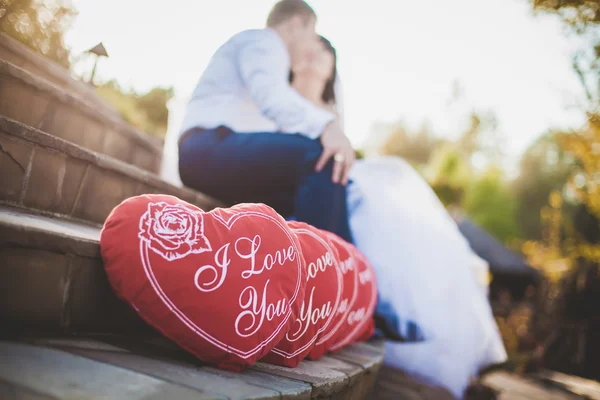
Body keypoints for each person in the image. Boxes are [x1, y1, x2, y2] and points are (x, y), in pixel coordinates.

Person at [289, 36, 508, 399]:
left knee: (395, 198)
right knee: (372, 200)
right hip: (305, 179)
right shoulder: (278, 96)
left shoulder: (330, 110)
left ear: (331, 69)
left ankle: (375, 302)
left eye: (323, 56)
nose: (313, 60)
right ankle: (368, 302)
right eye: (307, 53)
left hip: (337, 177)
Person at [174, 0, 355, 243]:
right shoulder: (264, 42)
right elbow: (271, 97)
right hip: (206, 148)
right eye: (312, 34)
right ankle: (325, 261)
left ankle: (337, 257)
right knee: (320, 157)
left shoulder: (269, 56)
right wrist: (327, 126)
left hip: (216, 156)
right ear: (296, 25)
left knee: (318, 189)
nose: (312, 45)